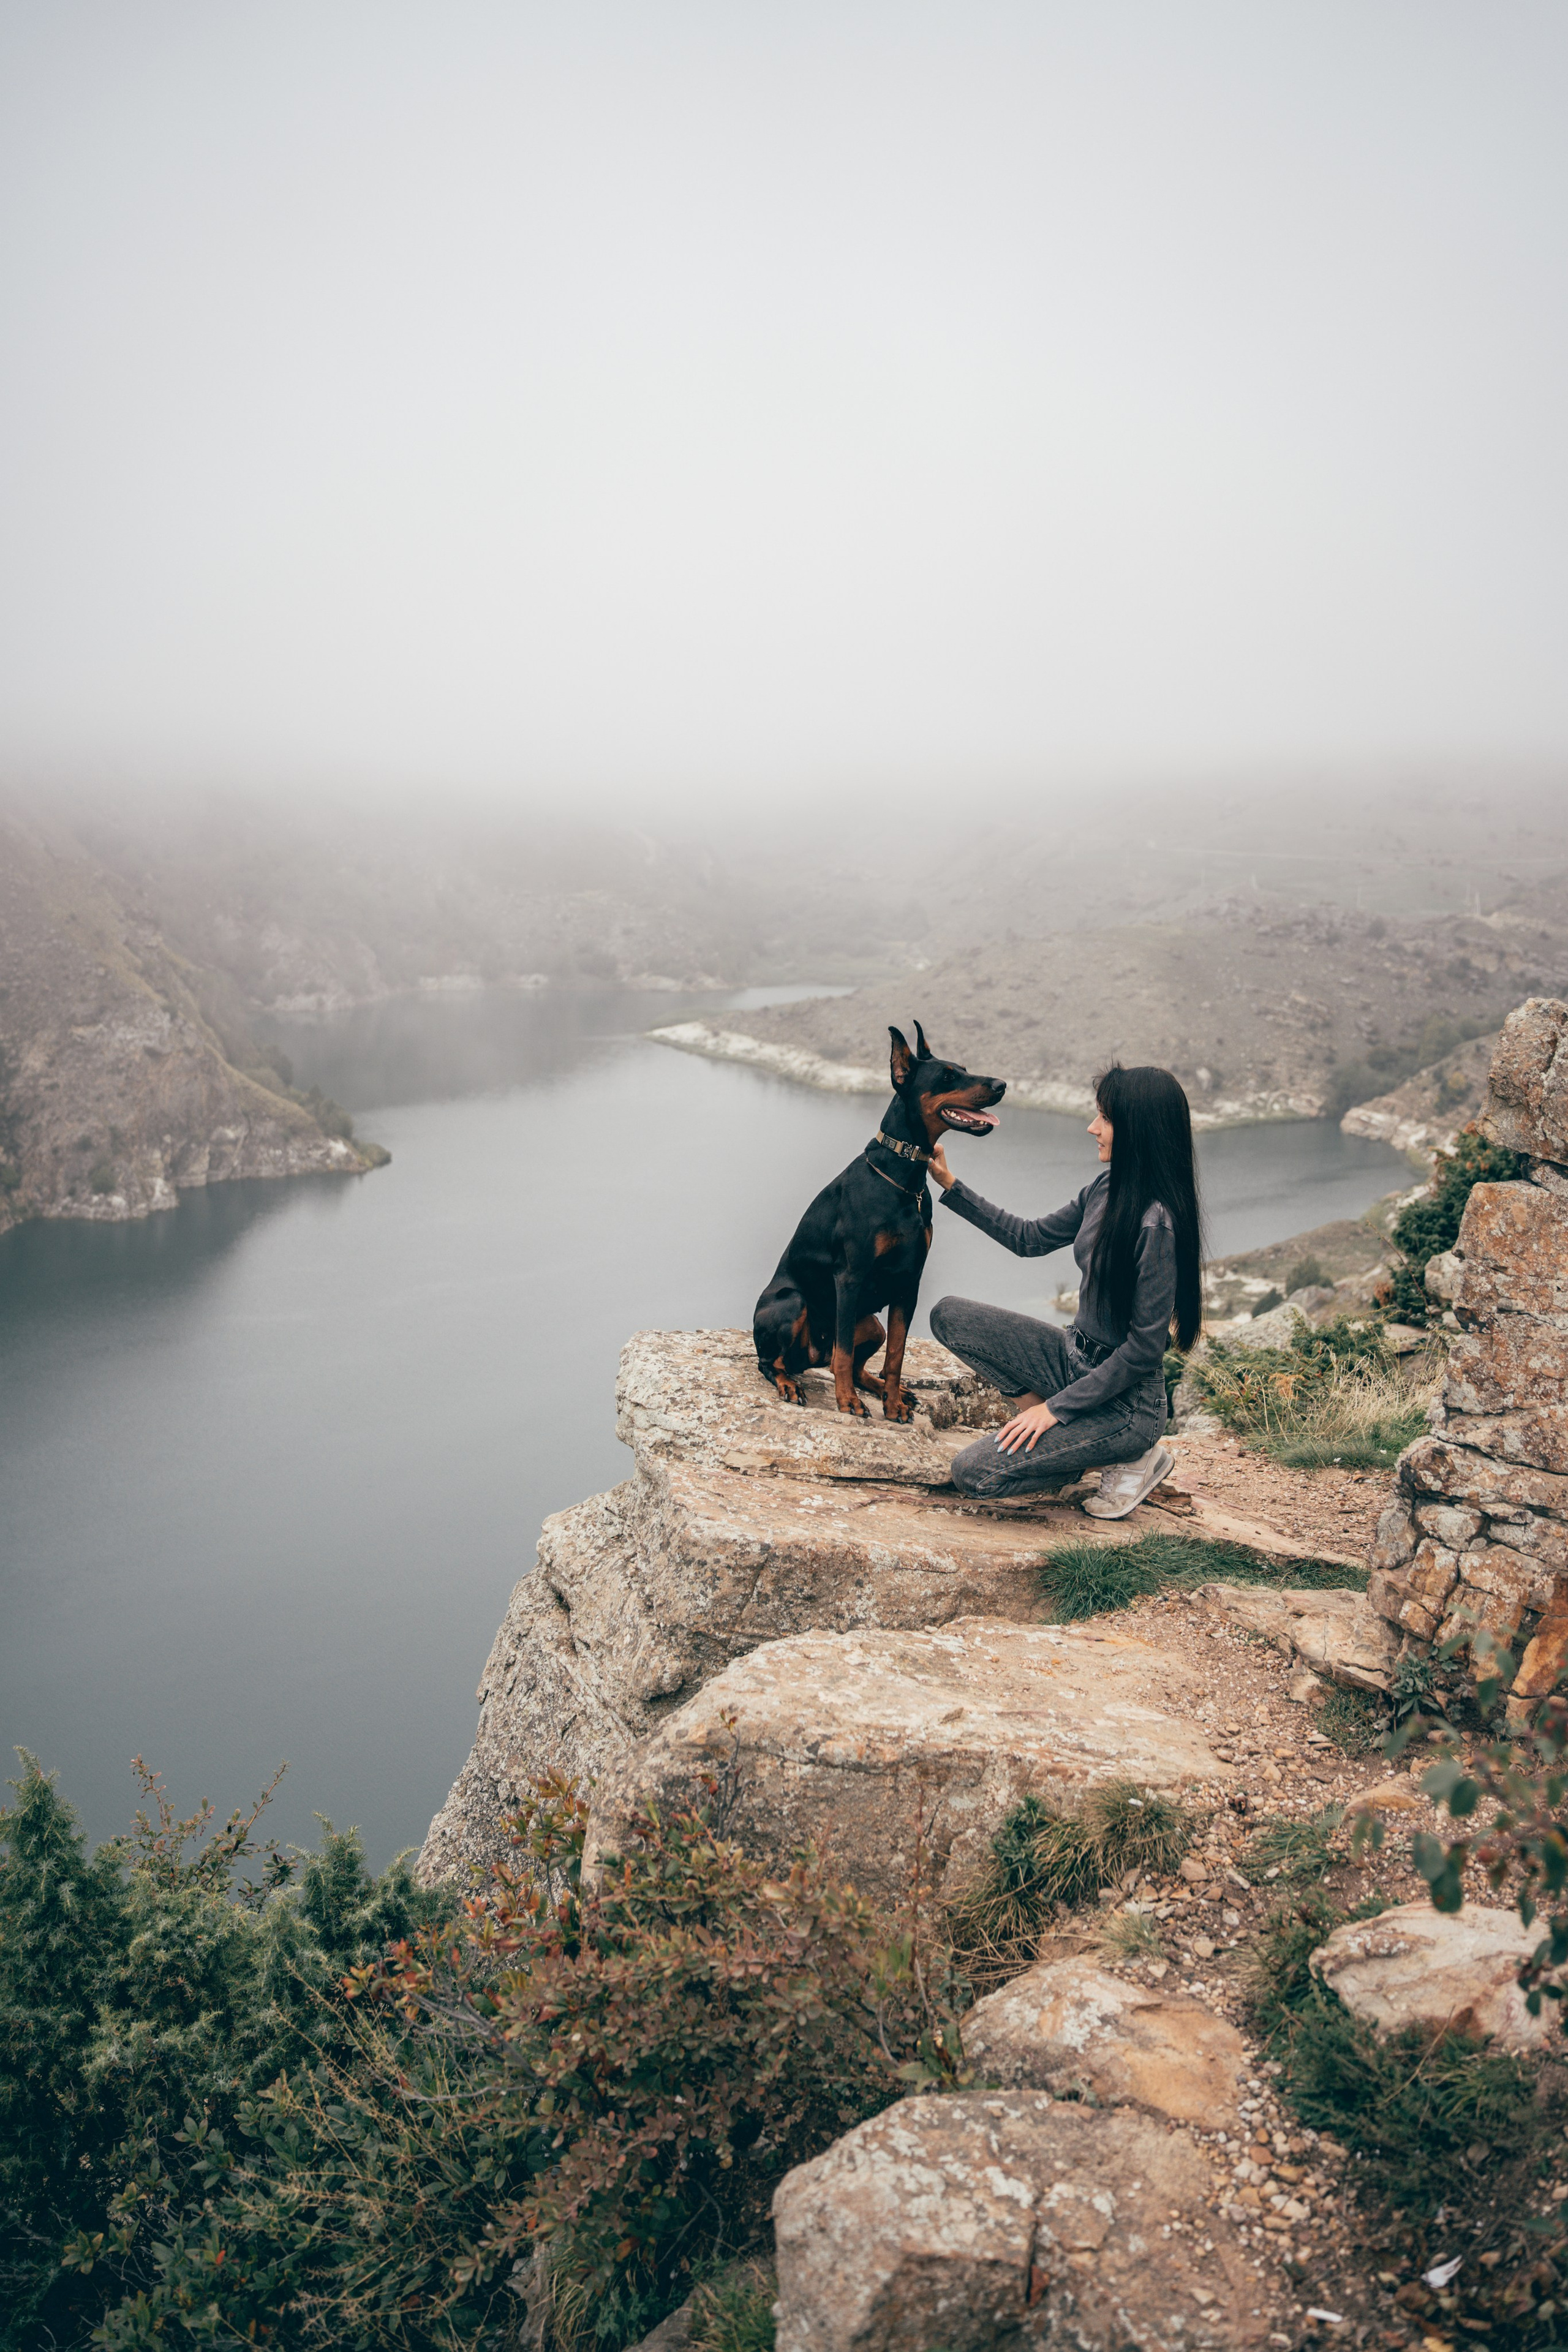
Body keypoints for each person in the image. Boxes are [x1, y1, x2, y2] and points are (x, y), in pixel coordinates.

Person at [927, 1063, 1204, 1517]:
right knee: (949, 1315)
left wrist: (1055, 1411)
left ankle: (1119, 1453)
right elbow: (1028, 1238)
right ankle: (1061, 1439)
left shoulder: (1158, 1224)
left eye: (1106, 1119)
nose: (1092, 1128)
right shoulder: (1107, 1186)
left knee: (973, 1474)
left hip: (1128, 1407)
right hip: (1073, 1359)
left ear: (1139, 1129)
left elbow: (1143, 1351)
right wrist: (951, 1186)